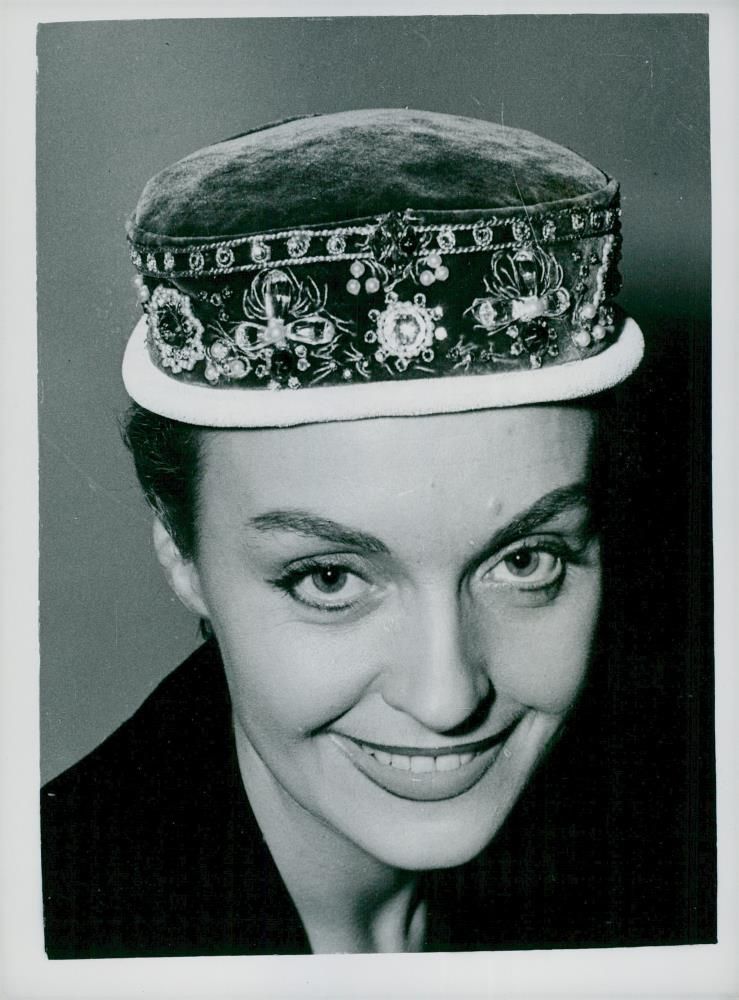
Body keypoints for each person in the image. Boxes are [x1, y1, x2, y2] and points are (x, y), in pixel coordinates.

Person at [41, 109, 650, 957]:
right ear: (180, 552)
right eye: (328, 578)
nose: (445, 700)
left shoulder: (649, 871)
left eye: (525, 561)